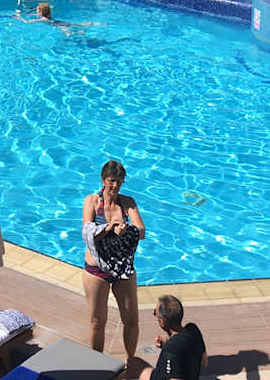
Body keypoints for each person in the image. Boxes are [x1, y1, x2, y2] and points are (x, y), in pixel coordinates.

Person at [82, 159, 145, 361]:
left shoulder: (128, 203)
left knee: (131, 320)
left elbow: (141, 231)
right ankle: (96, 366)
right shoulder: (92, 201)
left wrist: (127, 229)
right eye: (111, 180)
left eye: (119, 181)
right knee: (97, 323)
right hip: (96, 272)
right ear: (103, 180)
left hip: (122, 270)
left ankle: (130, 363)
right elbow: (86, 230)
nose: (115, 185)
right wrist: (108, 229)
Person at [150, 295, 206, 380]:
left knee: (134, 364)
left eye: (155, 313)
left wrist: (169, 348)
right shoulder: (193, 330)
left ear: (162, 322)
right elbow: (203, 362)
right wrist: (168, 343)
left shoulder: (170, 350)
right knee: (135, 363)